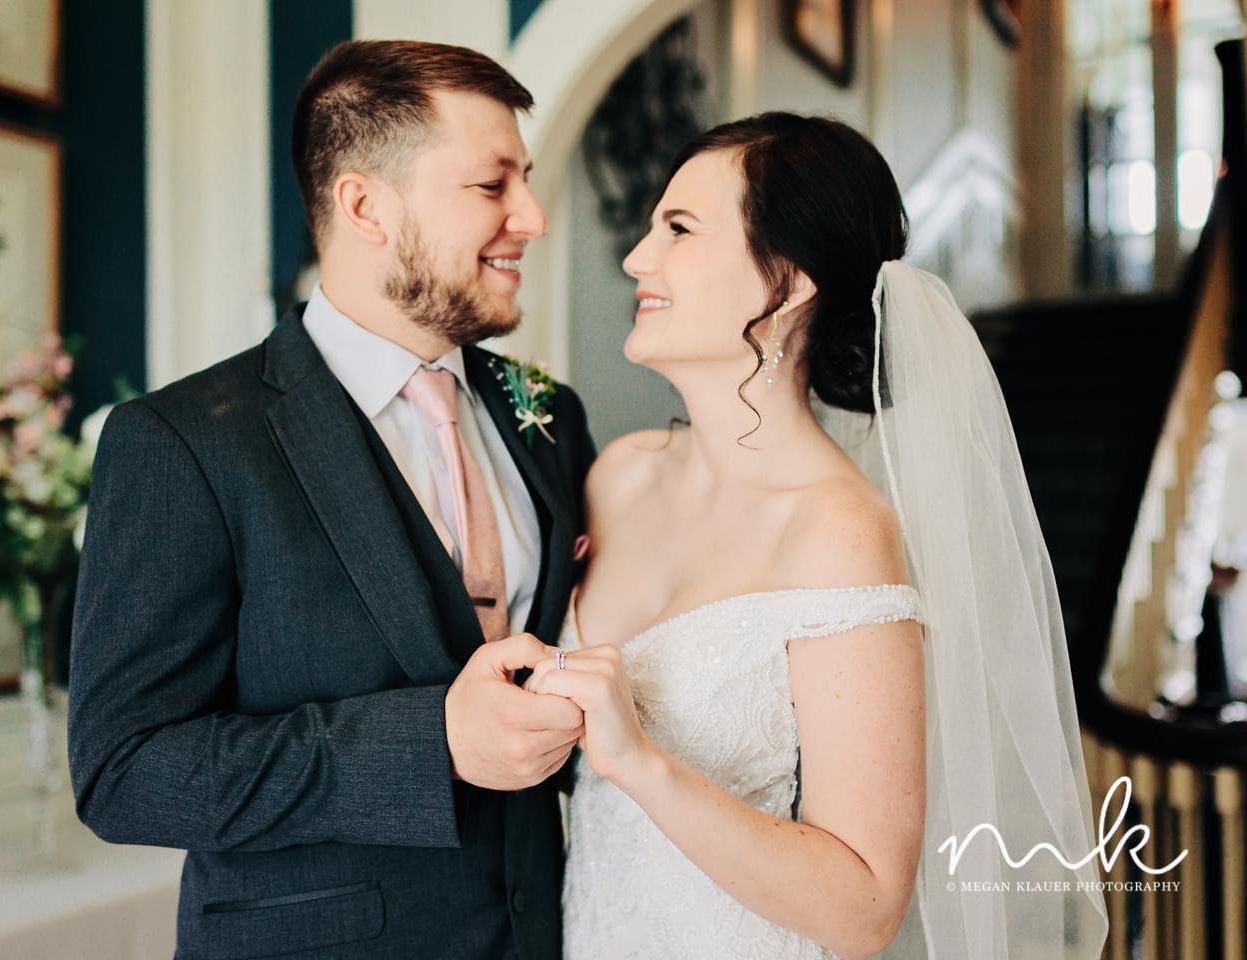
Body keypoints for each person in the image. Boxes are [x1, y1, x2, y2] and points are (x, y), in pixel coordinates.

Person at [526, 113, 1109, 958]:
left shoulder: (838, 531)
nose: (636, 258)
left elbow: (866, 904)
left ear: (788, 281)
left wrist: (641, 760)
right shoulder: (619, 475)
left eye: (678, 230)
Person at [67, 40, 595, 960]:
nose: (534, 217)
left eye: (528, 180)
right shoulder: (184, 443)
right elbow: (124, 771)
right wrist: (430, 743)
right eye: (491, 184)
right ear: (365, 205)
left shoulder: (548, 418)